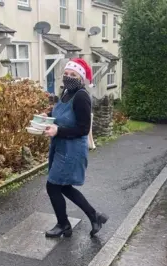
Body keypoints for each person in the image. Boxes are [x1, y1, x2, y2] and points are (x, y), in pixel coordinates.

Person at [42, 58, 108, 238]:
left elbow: (83, 129)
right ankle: (94, 216)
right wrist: (46, 117)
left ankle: (64, 224)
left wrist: (58, 130)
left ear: (81, 77)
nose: (68, 77)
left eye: (73, 74)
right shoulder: (65, 92)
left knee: (53, 186)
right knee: (63, 187)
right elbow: (60, 114)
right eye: (66, 73)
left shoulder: (81, 96)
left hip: (72, 150)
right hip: (61, 146)